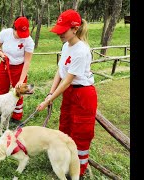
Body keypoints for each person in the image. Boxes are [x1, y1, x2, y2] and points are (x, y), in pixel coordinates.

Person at [36, 9, 97, 178]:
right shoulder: (66, 46)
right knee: (65, 128)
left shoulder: (81, 50)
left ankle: (77, 170)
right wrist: (50, 93)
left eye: (63, 30)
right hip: (68, 93)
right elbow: (60, 71)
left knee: (80, 133)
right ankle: (64, 162)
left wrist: (49, 99)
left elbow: (68, 80)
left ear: (75, 29)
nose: (59, 34)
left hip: (83, 95)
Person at [0, 16, 35, 126]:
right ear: (14, 28)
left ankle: (16, 118)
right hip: (5, 66)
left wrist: (21, 80)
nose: (22, 36)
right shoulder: (5, 33)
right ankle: (0, 114)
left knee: (18, 92)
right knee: (1, 90)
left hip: (19, 68)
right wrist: (0, 53)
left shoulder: (29, 41)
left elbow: (27, 62)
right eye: (19, 33)